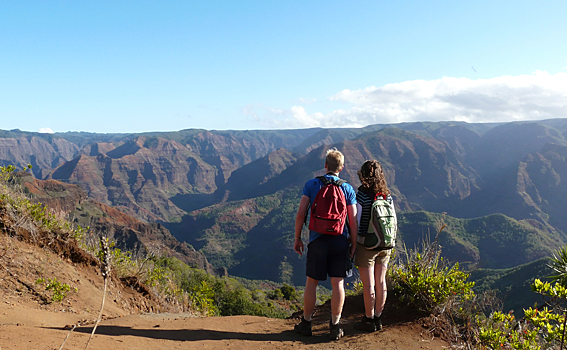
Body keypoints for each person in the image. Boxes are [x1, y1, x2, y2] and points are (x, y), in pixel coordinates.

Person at [293, 147, 358, 341]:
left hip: (317, 240)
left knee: (312, 282)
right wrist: (353, 244)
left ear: (325, 166)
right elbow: (353, 220)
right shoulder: (347, 188)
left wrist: (297, 238)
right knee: (338, 283)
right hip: (339, 241)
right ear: (342, 168)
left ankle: (306, 323)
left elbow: (300, 214)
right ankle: (335, 326)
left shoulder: (312, 184)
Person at [354, 160, 395, 332]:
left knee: (369, 285)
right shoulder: (386, 195)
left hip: (367, 244)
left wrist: (353, 242)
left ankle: (368, 319)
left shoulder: (362, 195)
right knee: (381, 282)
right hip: (386, 244)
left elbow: (356, 220)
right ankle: (378, 318)